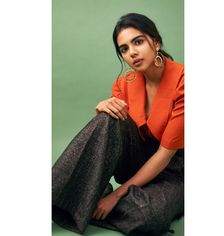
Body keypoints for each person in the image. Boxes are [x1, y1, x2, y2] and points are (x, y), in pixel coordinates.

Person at [52, 13, 184, 236]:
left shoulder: (184, 81)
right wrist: (103, 110)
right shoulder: (125, 83)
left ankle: (85, 198)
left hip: (173, 173)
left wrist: (115, 195)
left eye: (138, 41)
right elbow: (112, 134)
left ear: (156, 42)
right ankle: (53, 195)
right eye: (124, 49)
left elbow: (164, 155)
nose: (132, 52)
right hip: (135, 163)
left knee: (150, 216)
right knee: (108, 116)